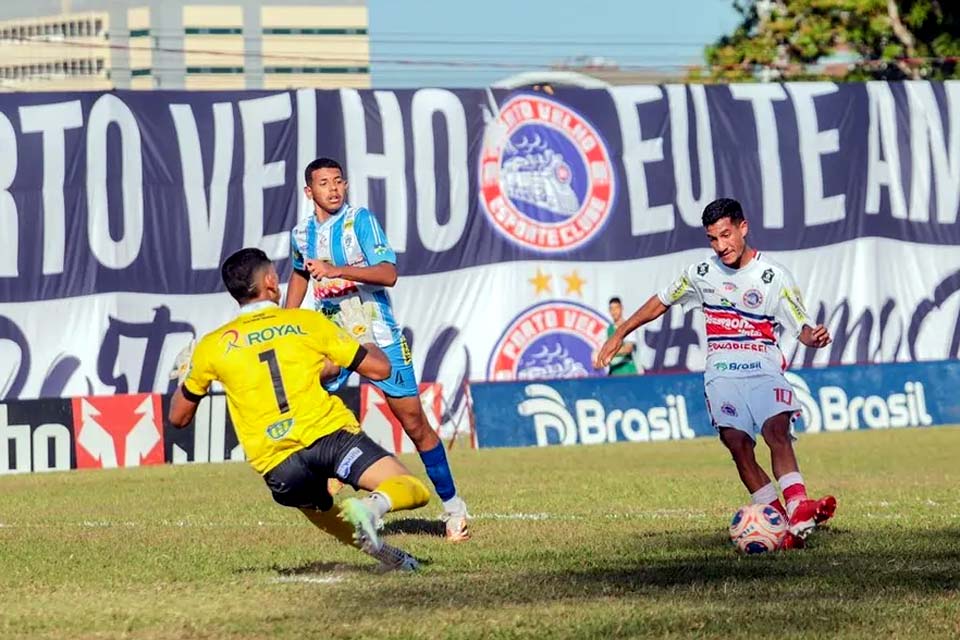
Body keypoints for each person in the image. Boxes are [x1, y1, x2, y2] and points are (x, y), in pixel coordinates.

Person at [595, 198, 836, 549]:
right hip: (722, 374)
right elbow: (660, 301)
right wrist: (621, 332)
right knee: (737, 445)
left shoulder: (774, 277)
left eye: (726, 235)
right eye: (712, 238)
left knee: (776, 431)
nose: (721, 246)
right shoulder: (701, 274)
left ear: (743, 227)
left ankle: (799, 510)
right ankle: (778, 523)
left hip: (763, 368)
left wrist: (812, 336)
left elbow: (801, 325)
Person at [168, 248, 430, 571]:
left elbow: (177, 419)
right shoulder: (306, 322)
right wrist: (363, 337)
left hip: (281, 468)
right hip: (330, 437)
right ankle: (373, 507)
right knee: (413, 489)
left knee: (322, 510)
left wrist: (187, 378)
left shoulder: (213, 345)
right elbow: (380, 370)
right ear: (270, 281)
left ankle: (392, 559)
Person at [284, 157, 469, 542]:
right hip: (334, 338)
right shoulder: (301, 234)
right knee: (310, 394)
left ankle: (454, 509)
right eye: (324, 183)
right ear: (309, 192)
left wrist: (338, 270)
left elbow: (388, 273)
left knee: (414, 424)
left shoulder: (359, 222)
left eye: (338, 181)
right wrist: (285, 325)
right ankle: (341, 484)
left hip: (377, 334)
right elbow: (300, 273)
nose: (333, 188)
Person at [606, 297, 638, 376]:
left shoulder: (629, 326)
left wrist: (608, 352)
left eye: (616, 308)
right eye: (611, 309)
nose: (614, 312)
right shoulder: (608, 329)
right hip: (614, 373)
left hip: (629, 372)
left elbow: (628, 348)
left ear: (621, 308)